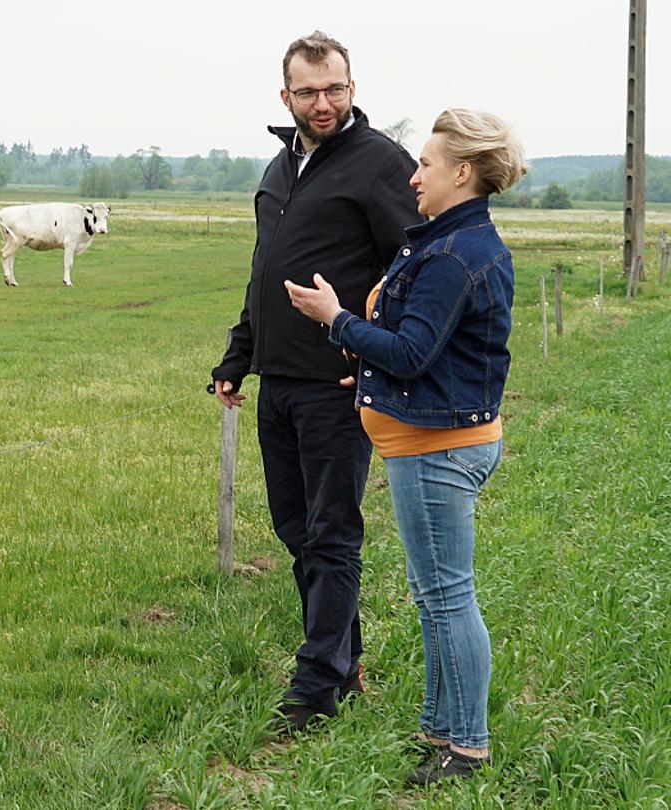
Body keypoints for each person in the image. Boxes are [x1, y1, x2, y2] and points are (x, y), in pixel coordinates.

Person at [285, 108, 524, 785]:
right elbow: (431, 350)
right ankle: (440, 727)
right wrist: (369, 364)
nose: (413, 176)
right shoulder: (449, 240)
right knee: (434, 593)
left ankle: (466, 748)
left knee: (447, 596)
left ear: (462, 171)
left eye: (424, 164)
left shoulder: (455, 253)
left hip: (438, 448)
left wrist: (337, 321)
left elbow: (415, 352)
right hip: (430, 439)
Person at [209, 30, 422, 735]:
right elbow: (263, 273)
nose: (322, 102)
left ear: (353, 89)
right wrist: (238, 356)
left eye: (334, 89)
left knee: (332, 534)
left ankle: (313, 691)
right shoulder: (278, 169)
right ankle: (347, 663)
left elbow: (414, 267)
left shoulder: (380, 165)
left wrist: (371, 351)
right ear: (286, 96)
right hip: (280, 385)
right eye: (308, 91)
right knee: (297, 530)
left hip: (337, 383)